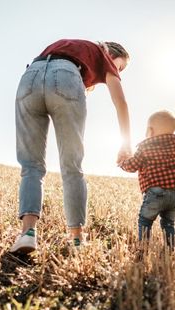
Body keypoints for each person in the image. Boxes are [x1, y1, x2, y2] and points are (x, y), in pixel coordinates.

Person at [10, 39, 132, 254]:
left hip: (30, 76)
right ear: (112, 54)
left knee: (31, 165)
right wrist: (126, 143)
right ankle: (76, 241)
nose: (116, 71)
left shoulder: (73, 45)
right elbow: (120, 101)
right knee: (72, 166)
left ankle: (27, 234)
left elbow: (48, 65)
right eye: (119, 66)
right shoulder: (103, 55)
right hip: (66, 77)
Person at [119, 111, 175, 250]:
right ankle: (169, 249)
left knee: (145, 221)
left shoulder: (145, 148)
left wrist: (122, 162)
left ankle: (143, 248)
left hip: (155, 194)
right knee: (168, 224)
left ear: (150, 130)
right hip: (174, 196)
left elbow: (132, 166)